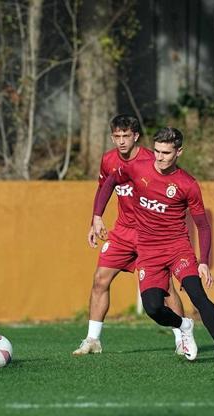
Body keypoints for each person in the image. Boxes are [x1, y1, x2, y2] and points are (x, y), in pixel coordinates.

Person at [92, 127, 214, 366]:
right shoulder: (137, 168)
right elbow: (110, 182)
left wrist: (204, 262)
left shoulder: (187, 183)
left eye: (166, 153)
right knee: (153, 308)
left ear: (179, 152)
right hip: (148, 251)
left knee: (198, 296)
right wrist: (97, 215)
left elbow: (203, 225)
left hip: (178, 248)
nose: (159, 157)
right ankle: (184, 325)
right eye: (157, 151)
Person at [74, 115, 186, 356]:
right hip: (123, 231)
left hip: (149, 234)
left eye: (126, 136)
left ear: (136, 136)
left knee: (165, 288)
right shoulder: (108, 160)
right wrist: (96, 218)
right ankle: (93, 339)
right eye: (117, 136)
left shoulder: (150, 159)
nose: (121, 141)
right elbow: (104, 187)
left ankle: (182, 337)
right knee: (100, 280)